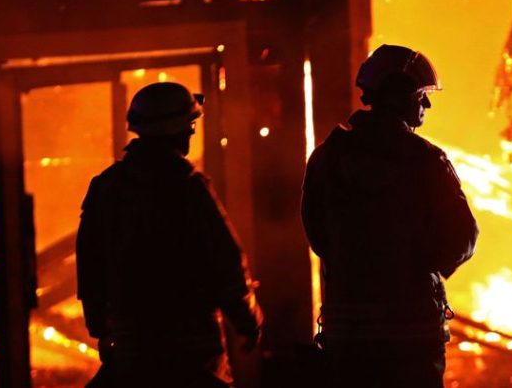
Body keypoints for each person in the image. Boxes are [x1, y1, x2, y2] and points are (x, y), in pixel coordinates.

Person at [301, 44, 478, 387]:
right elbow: (462, 236)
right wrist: (418, 268)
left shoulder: (328, 158)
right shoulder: (426, 160)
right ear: (398, 96)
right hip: (412, 336)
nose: (425, 104)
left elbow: (318, 234)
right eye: (420, 95)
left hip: (347, 333)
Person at [77, 82, 262, 388]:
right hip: (192, 354)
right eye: (190, 126)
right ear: (180, 130)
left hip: (130, 352)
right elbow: (227, 263)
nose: (191, 133)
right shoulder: (190, 188)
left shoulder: (106, 188)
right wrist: (248, 320)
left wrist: (100, 326)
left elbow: (90, 266)